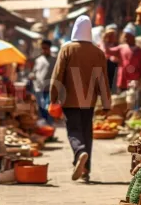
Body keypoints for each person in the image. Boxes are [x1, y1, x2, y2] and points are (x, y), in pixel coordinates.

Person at [50, 15, 111, 182]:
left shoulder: (67, 49)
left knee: (74, 130)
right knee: (86, 131)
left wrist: (53, 96)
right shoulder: (98, 52)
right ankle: (85, 170)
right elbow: (102, 79)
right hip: (89, 101)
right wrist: (106, 103)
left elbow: (57, 75)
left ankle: (79, 152)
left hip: (69, 99)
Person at [105, 23, 141, 92]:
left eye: (127, 36)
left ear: (133, 37)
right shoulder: (121, 48)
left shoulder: (139, 52)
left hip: (134, 83)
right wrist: (106, 39)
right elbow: (107, 51)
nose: (125, 38)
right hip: (122, 82)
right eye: (125, 36)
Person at [31, 39, 57, 124]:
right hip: (39, 88)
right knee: (41, 108)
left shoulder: (55, 60)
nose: (43, 50)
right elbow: (34, 73)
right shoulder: (38, 60)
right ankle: (45, 126)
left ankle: (49, 125)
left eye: (45, 48)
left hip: (49, 89)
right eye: (42, 48)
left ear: (49, 48)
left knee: (48, 107)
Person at [99, 24, 119, 93]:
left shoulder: (118, 45)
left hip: (114, 70)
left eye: (113, 35)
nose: (112, 37)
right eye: (110, 35)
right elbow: (104, 52)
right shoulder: (102, 44)